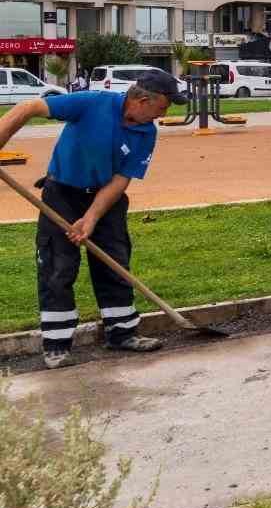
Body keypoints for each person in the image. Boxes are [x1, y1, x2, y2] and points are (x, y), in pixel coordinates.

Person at [0, 71, 186, 369]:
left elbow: (120, 179)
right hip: (62, 193)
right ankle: (57, 345)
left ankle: (122, 333)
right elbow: (30, 107)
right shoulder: (92, 103)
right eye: (163, 107)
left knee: (114, 261)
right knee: (57, 266)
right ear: (141, 100)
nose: (164, 114)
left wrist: (91, 218)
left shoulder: (146, 131)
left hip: (105, 199)